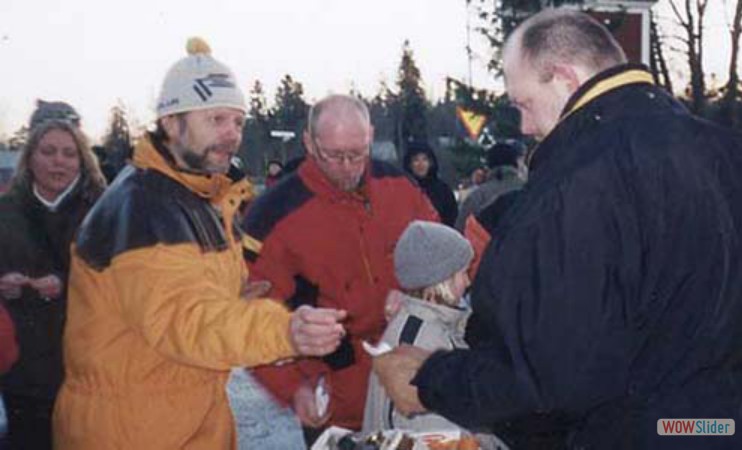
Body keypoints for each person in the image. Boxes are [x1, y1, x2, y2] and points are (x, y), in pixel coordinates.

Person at [374, 9, 742, 450]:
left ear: (565, 78)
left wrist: (430, 380)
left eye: (524, 104)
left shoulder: (578, 185)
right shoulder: (729, 152)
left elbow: (551, 376)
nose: (525, 127)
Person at [52, 38, 345, 450]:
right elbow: (186, 321)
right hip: (132, 429)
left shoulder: (200, 198)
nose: (232, 135)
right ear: (171, 123)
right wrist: (284, 330)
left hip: (186, 416)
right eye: (217, 120)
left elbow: (194, 294)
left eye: (238, 122)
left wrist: (241, 299)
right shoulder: (144, 207)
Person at [242, 94, 439, 442]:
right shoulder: (272, 215)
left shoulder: (401, 187)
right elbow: (253, 318)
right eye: (334, 156)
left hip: (410, 378)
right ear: (309, 143)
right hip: (334, 394)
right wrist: (294, 389)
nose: (348, 166)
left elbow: (442, 256)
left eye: (357, 153)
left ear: (370, 136)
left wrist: (417, 291)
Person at [0, 109, 106, 449]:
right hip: (22, 366)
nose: (58, 162)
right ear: (30, 158)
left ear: (81, 160)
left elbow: (121, 279)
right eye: (47, 152)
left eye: (68, 153)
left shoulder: (102, 211)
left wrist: (67, 283)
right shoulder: (6, 211)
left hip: (86, 363)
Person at [362, 221, 474, 432]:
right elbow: (439, 434)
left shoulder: (426, 323)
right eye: (463, 273)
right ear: (441, 280)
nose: (468, 282)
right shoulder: (425, 341)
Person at [455, 142, 526, 232]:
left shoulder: (478, 196)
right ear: (515, 163)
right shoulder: (529, 189)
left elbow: (460, 230)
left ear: (489, 165)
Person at [403, 142, 458, 226]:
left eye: (424, 159)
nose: (421, 164)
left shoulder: (443, 190)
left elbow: (452, 218)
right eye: (416, 160)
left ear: (431, 163)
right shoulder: (403, 189)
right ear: (410, 164)